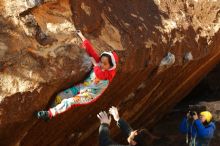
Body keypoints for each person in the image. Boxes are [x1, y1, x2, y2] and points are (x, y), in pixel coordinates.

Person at [37, 30, 119, 120]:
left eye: (105, 64)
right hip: (82, 87)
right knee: (60, 96)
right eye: (101, 61)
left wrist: (95, 65)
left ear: (111, 66)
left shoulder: (109, 74)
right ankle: (49, 113)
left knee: (69, 101)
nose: (101, 64)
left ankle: (49, 113)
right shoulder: (100, 63)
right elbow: (91, 51)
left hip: (89, 95)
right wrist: (82, 36)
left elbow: (99, 74)